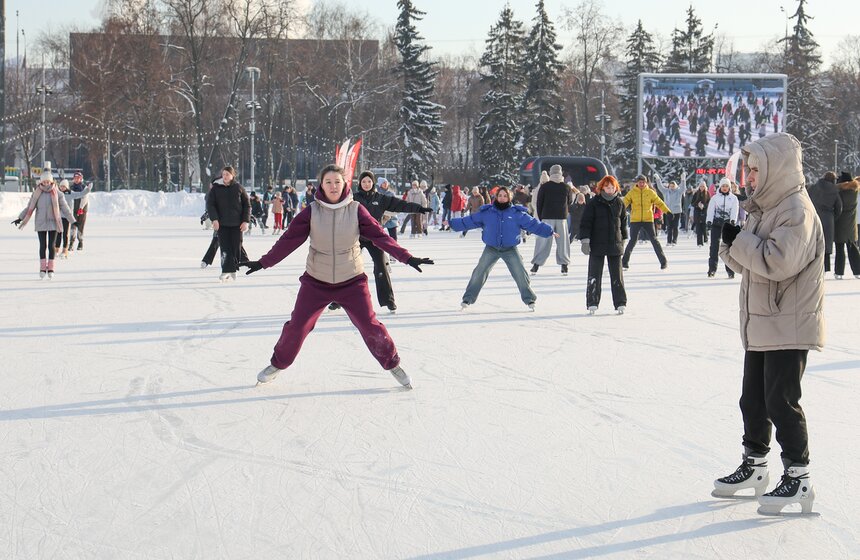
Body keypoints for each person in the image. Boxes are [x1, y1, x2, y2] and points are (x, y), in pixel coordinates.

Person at [238, 164, 434, 388]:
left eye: (337, 182)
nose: (333, 186)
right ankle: (278, 364)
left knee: (370, 325)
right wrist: (264, 262)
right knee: (297, 326)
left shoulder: (356, 209)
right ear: (321, 184)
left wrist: (407, 257)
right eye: (328, 182)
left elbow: (380, 236)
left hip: (351, 280)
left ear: (344, 185)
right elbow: (288, 241)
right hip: (316, 281)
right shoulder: (311, 211)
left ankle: (393, 364)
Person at [713, 132, 823, 515]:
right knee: (753, 400)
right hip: (763, 321)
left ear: (777, 169)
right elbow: (749, 264)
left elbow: (778, 263)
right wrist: (730, 243)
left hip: (787, 323)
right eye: (749, 169)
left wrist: (741, 240)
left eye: (757, 169)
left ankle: (799, 475)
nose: (750, 177)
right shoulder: (765, 209)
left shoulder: (796, 210)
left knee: (781, 401)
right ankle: (755, 466)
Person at [449, 186, 555, 311]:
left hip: (510, 249)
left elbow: (532, 224)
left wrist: (549, 231)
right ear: (496, 197)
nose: (502, 198)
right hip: (491, 248)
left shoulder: (516, 213)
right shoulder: (487, 212)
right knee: (479, 272)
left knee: (520, 273)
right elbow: (470, 220)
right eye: (500, 195)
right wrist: (452, 223)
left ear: (509, 197)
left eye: (505, 196)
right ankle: (467, 299)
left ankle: (529, 299)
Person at [351, 170, 433, 312]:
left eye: (369, 181)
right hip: (355, 237)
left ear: (373, 183)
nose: (366, 184)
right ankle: (338, 300)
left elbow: (400, 204)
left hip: (374, 237)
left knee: (381, 267)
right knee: (347, 267)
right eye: (363, 181)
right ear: (359, 183)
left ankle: (388, 300)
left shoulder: (381, 198)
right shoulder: (353, 198)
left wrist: (418, 208)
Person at [12, 170, 76, 279]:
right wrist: (20, 218)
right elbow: (29, 207)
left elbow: (65, 208)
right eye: (44, 181)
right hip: (40, 223)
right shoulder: (37, 193)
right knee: (42, 246)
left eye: (48, 181)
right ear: (41, 182)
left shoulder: (58, 193)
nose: (46, 183)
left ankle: (50, 268)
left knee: (51, 246)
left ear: (51, 182)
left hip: (53, 223)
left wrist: (73, 220)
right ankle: (42, 268)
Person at [579, 175, 628, 315]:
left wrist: (623, 239)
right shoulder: (594, 203)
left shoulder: (619, 203)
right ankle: (592, 302)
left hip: (614, 243)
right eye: (607, 187)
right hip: (597, 243)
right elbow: (585, 223)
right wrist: (585, 240)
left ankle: (620, 302)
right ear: (602, 187)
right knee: (594, 274)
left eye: (612, 187)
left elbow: (623, 223)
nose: (610, 189)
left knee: (617, 276)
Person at [206, 166, 250, 282]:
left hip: (237, 224)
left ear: (232, 175)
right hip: (222, 224)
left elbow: (247, 205)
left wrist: (245, 221)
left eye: (227, 174)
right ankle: (226, 270)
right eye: (224, 174)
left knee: (236, 247)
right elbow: (210, 205)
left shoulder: (239, 188)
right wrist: (214, 219)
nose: (225, 176)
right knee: (225, 248)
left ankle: (233, 269)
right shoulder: (216, 189)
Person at [621, 174, 669, 270]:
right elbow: (624, 203)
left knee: (654, 241)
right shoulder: (632, 192)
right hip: (635, 220)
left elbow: (659, 202)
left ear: (646, 182)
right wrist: (617, 212)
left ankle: (663, 262)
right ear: (637, 183)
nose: (642, 184)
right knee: (632, 241)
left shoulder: (650, 192)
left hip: (648, 220)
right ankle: (624, 262)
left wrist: (667, 211)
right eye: (640, 182)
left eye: (643, 182)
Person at [531, 165, 572, 275]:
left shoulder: (545, 186)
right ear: (561, 173)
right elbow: (570, 202)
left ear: (551, 173)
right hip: (561, 217)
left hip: (547, 217)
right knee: (563, 242)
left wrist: (541, 217)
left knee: (543, 241)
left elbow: (539, 203)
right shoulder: (566, 187)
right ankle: (564, 265)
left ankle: (536, 265)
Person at [807, 171, 842, 274]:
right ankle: (825, 268)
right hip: (828, 218)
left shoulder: (813, 187)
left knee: (814, 242)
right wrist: (833, 217)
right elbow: (839, 207)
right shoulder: (834, 190)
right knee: (826, 244)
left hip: (814, 217)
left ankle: (813, 267)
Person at [706, 177, 740, 278]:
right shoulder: (715, 198)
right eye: (723, 186)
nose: (725, 188)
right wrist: (709, 221)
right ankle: (712, 269)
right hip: (716, 224)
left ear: (729, 187)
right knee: (714, 248)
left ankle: (730, 270)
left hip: (727, 226)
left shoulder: (733, 198)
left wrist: (733, 219)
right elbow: (711, 210)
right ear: (720, 187)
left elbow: (735, 209)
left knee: (728, 248)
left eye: (726, 186)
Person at [54, 179, 91, 259]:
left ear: (66, 187)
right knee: (58, 234)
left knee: (65, 235)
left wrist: (87, 189)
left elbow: (81, 194)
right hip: (59, 217)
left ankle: (65, 250)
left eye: (63, 186)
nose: (62, 188)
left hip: (67, 217)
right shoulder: (58, 194)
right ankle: (56, 250)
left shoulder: (71, 193)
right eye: (61, 186)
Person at [834, 172, 860, 279]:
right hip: (851, 225)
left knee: (840, 250)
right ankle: (857, 271)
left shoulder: (838, 193)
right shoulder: (855, 192)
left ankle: (839, 272)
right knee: (853, 249)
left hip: (839, 224)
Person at [654, 171, 685, 246]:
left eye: (673, 186)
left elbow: (683, 188)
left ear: (675, 186)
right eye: (670, 186)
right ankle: (669, 241)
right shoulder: (666, 192)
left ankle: (674, 241)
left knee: (675, 226)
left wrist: (683, 179)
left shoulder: (678, 191)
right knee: (669, 227)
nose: (672, 187)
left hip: (677, 211)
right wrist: (658, 179)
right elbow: (660, 187)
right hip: (668, 211)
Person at [69, 172, 91, 252]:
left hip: (82, 210)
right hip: (73, 210)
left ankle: (80, 242)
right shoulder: (71, 187)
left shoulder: (84, 187)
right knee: (72, 226)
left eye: (78, 178)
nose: (76, 179)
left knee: (81, 226)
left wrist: (81, 208)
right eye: (75, 177)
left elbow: (85, 198)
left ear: (81, 179)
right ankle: (71, 243)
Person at [691, 181, 711, 246]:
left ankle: (705, 239)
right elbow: (692, 203)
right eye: (701, 186)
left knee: (704, 226)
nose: (702, 188)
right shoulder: (696, 193)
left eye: (703, 186)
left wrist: (704, 206)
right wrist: (697, 205)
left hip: (704, 211)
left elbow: (709, 203)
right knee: (698, 227)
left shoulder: (707, 193)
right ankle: (699, 242)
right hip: (697, 212)